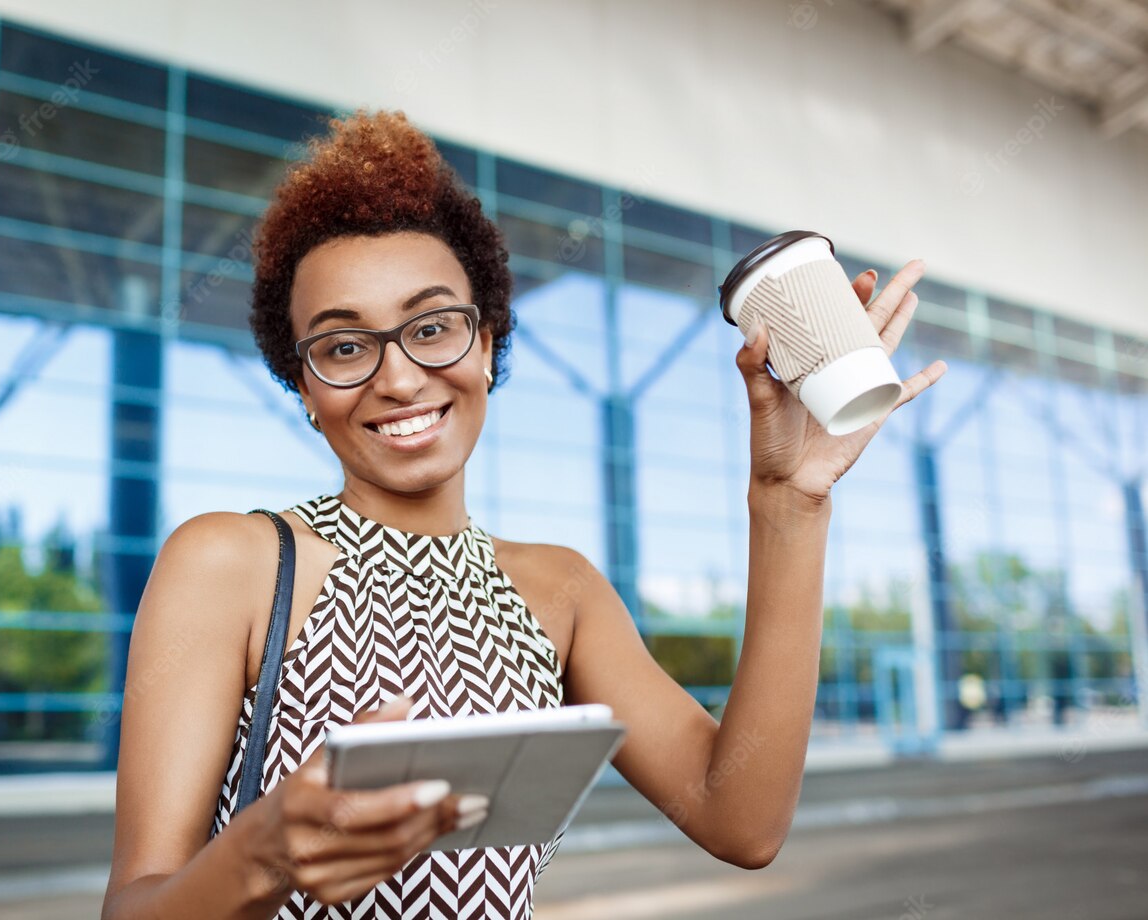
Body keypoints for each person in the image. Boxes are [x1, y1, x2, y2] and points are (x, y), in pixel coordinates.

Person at [101, 108, 947, 919]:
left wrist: (789, 505)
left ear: (490, 342)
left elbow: (742, 820)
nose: (397, 379)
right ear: (303, 388)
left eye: (433, 328)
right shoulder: (231, 563)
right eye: (344, 347)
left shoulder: (560, 590)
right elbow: (135, 906)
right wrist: (264, 856)